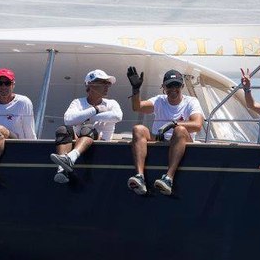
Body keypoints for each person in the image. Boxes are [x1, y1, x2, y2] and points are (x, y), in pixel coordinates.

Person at [126, 67, 203, 195]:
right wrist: (136, 89)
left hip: (182, 141)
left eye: (176, 85)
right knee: (138, 129)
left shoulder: (191, 102)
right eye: (169, 86)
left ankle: (168, 179)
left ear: (182, 86)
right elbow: (137, 107)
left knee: (179, 130)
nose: (173, 89)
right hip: (159, 139)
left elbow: (198, 125)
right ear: (163, 87)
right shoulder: (159, 100)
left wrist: (173, 124)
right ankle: (140, 176)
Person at [50, 69, 123, 184]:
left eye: (107, 83)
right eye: (102, 83)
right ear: (90, 86)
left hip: (101, 148)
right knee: (63, 130)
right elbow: (68, 120)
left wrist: (91, 117)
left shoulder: (112, 103)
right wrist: (95, 110)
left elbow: (118, 116)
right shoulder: (77, 102)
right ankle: (63, 169)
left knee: (87, 128)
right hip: (81, 143)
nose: (106, 86)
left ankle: (71, 158)